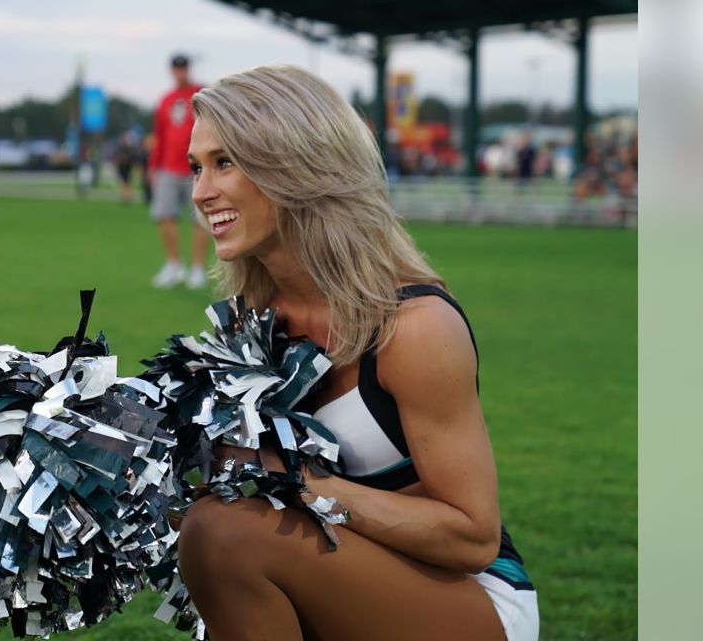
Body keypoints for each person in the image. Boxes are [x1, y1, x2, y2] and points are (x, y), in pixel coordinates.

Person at [177, 65, 537, 641]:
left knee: (223, 535)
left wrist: (302, 486)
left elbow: (471, 535)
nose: (200, 192)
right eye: (196, 167)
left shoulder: (413, 326)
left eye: (226, 163)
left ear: (294, 163)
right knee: (214, 533)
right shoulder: (252, 316)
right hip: (340, 569)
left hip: (467, 597)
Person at [149, 53, 209, 289]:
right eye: (176, 68)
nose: (180, 72)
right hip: (169, 167)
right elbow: (160, 136)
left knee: (200, 219)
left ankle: (196, 268)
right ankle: (173, 265)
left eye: (183, 68)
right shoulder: (165, 100)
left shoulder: (201, 96)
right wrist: (154, 165)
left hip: (196, 167)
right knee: (164, 215)